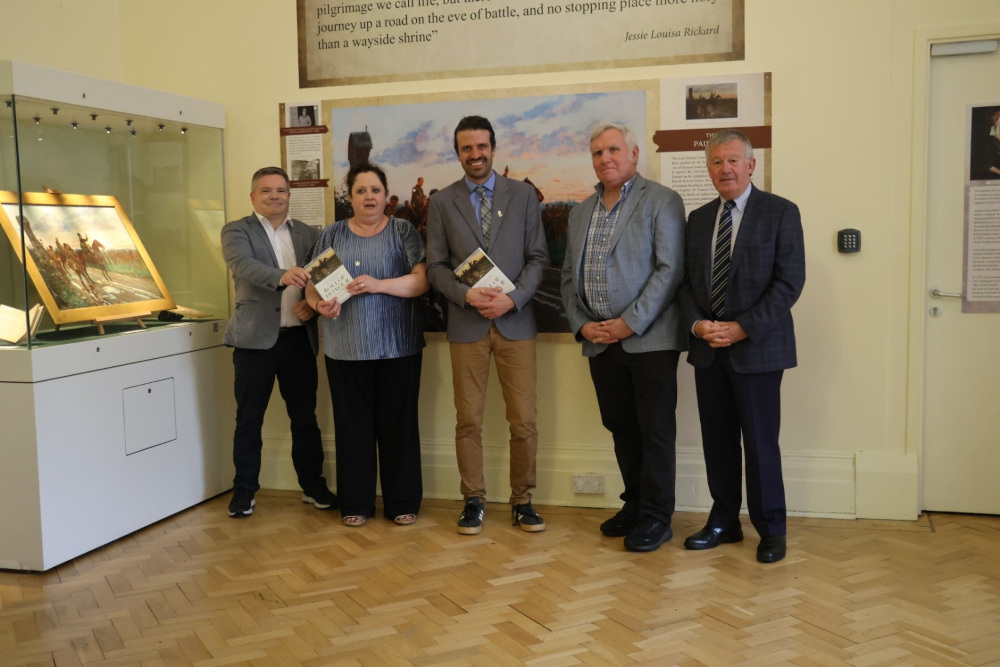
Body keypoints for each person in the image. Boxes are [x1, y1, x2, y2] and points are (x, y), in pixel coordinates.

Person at [676, 129, 805, 563]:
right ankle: (724, 521)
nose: (725, 169)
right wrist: (698, 325)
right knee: (718, 441)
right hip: (708, 349)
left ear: (751, 165)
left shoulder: (780, 212)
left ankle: (771, 528)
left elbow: (789, 282)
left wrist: (742, 328)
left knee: (760, 443)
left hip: (758, 348)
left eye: (733, 160)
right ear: (708, 169)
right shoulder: (698, 220)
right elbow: (685, 284)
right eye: (716, 162)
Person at [560, 123, 686, 553]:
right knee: (621, 427)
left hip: (649, 340)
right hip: (600, 342)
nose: (605, 158)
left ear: (633, 153)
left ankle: (657, 517)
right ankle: (634, 505)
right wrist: (582, 324)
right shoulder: (581, 211)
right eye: (597, 152)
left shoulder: (663, 200)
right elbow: (567, 278)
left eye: (613, 149)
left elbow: (670, 270)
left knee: (655, 431)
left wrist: (629, 322)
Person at [426, 115, 550, 535]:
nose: (475, 154)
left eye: (481, 146)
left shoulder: (523, 195)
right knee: (468, 420)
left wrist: (512, 298)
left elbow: (538, 258)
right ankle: (473, 499)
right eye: (467, 148)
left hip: (516, 323)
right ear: (457, 153)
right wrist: (466, 295)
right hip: (467, 325)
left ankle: (523, 500)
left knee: (524, 421)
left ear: (493, 148)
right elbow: (435, 268)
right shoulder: (442, 202)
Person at [306, 163, 428, 527]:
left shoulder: (403, 231)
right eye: (361, 191)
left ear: (385, 195)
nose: (369, 197)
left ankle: (402, 500)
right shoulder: (332, 234)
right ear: (350, 197)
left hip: (399, 348)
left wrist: (378, 285)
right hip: (345, 350)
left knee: (399, 429)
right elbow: (313, 285)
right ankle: (356, 503)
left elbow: (421, 282)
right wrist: (319, 306)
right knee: (352, 429)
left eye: (375, 190)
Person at [221, 166, 336, 518]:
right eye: (267, 190)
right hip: (253, 342)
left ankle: (313, 486)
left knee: (305, 419)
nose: (275, 196)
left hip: (298, 341)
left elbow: (322, 279)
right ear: (253, 196)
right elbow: (243, 266)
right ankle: (244, 490)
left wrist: (312, 306)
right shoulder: (236, 230)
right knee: (248, 419)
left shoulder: (309, 233)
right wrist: (283, 276)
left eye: (281, 190)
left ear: (289, 195)